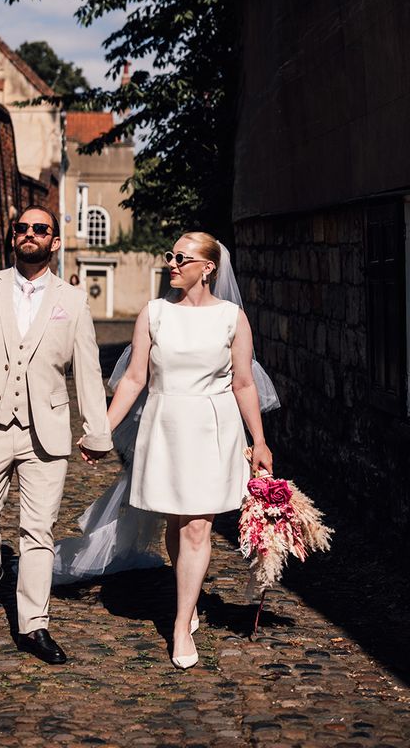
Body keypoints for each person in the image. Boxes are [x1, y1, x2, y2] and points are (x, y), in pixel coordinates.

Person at [0, 204, 112, 665]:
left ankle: (34, 624)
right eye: (22, 227)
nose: (30, 233)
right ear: (13, 236)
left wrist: (96, 431)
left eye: (40, 228)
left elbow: (88, 371)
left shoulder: (72, 300)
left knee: (38, 532)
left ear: (54, 242)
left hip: (47, 431)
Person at [105, 231, 273, 670]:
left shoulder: (232, 318)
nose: (173, 263)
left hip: (213, 429)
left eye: (183, 258)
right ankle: (189, 595)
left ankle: (180, 625)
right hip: (164, 425)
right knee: (176, 522)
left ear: (208, 268)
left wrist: (259, 440)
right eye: (171, 256)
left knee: (198, 527)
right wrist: (103, 430)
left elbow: (244, 383)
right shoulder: (154, 313)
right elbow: (134, 379)